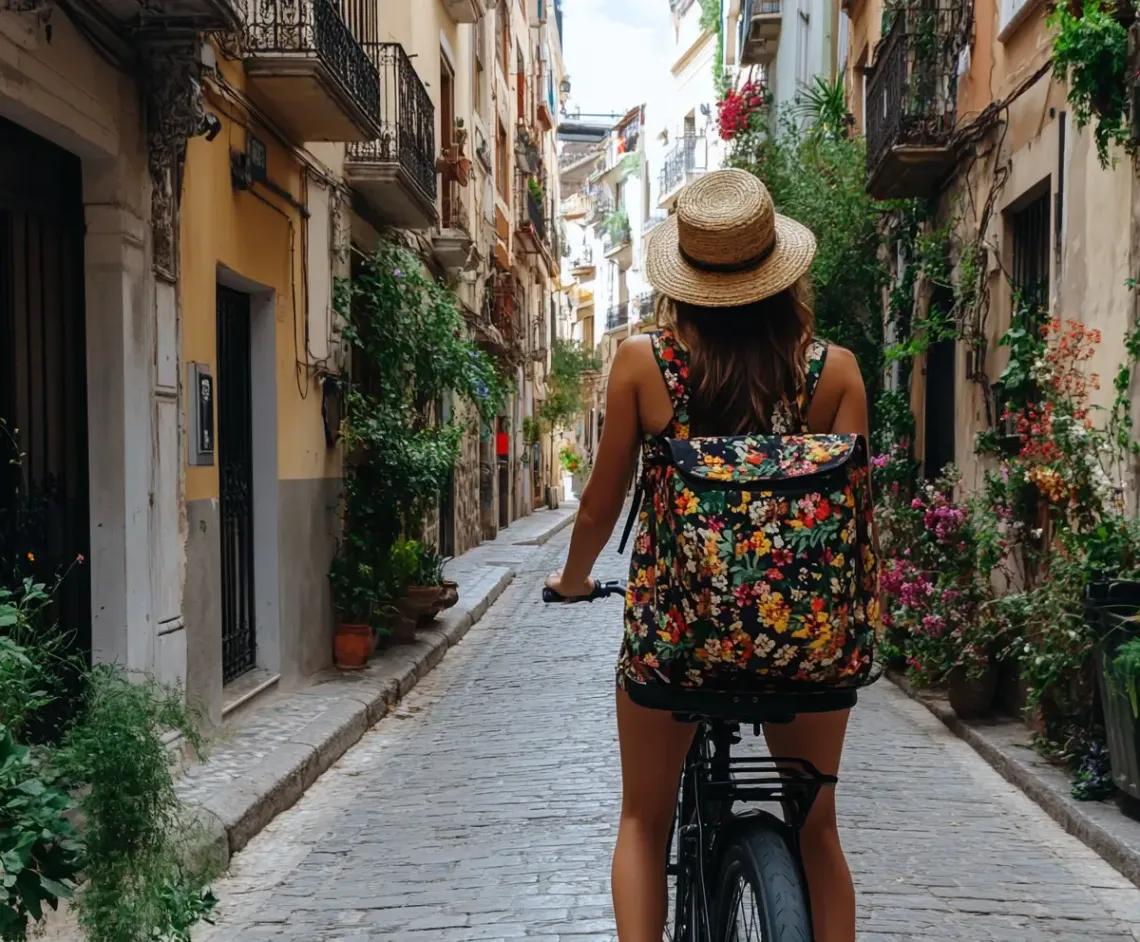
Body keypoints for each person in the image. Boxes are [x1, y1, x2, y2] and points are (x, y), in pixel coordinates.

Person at [545, 168, 871, 942]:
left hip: (677, 642)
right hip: (805, 645)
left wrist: (573, 578)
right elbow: (858, 514)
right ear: (779, 272)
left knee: (642, 822)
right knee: (818, 831)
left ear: (682, 278)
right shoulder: (835, 372)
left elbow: (600, 504)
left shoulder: (641, 365)